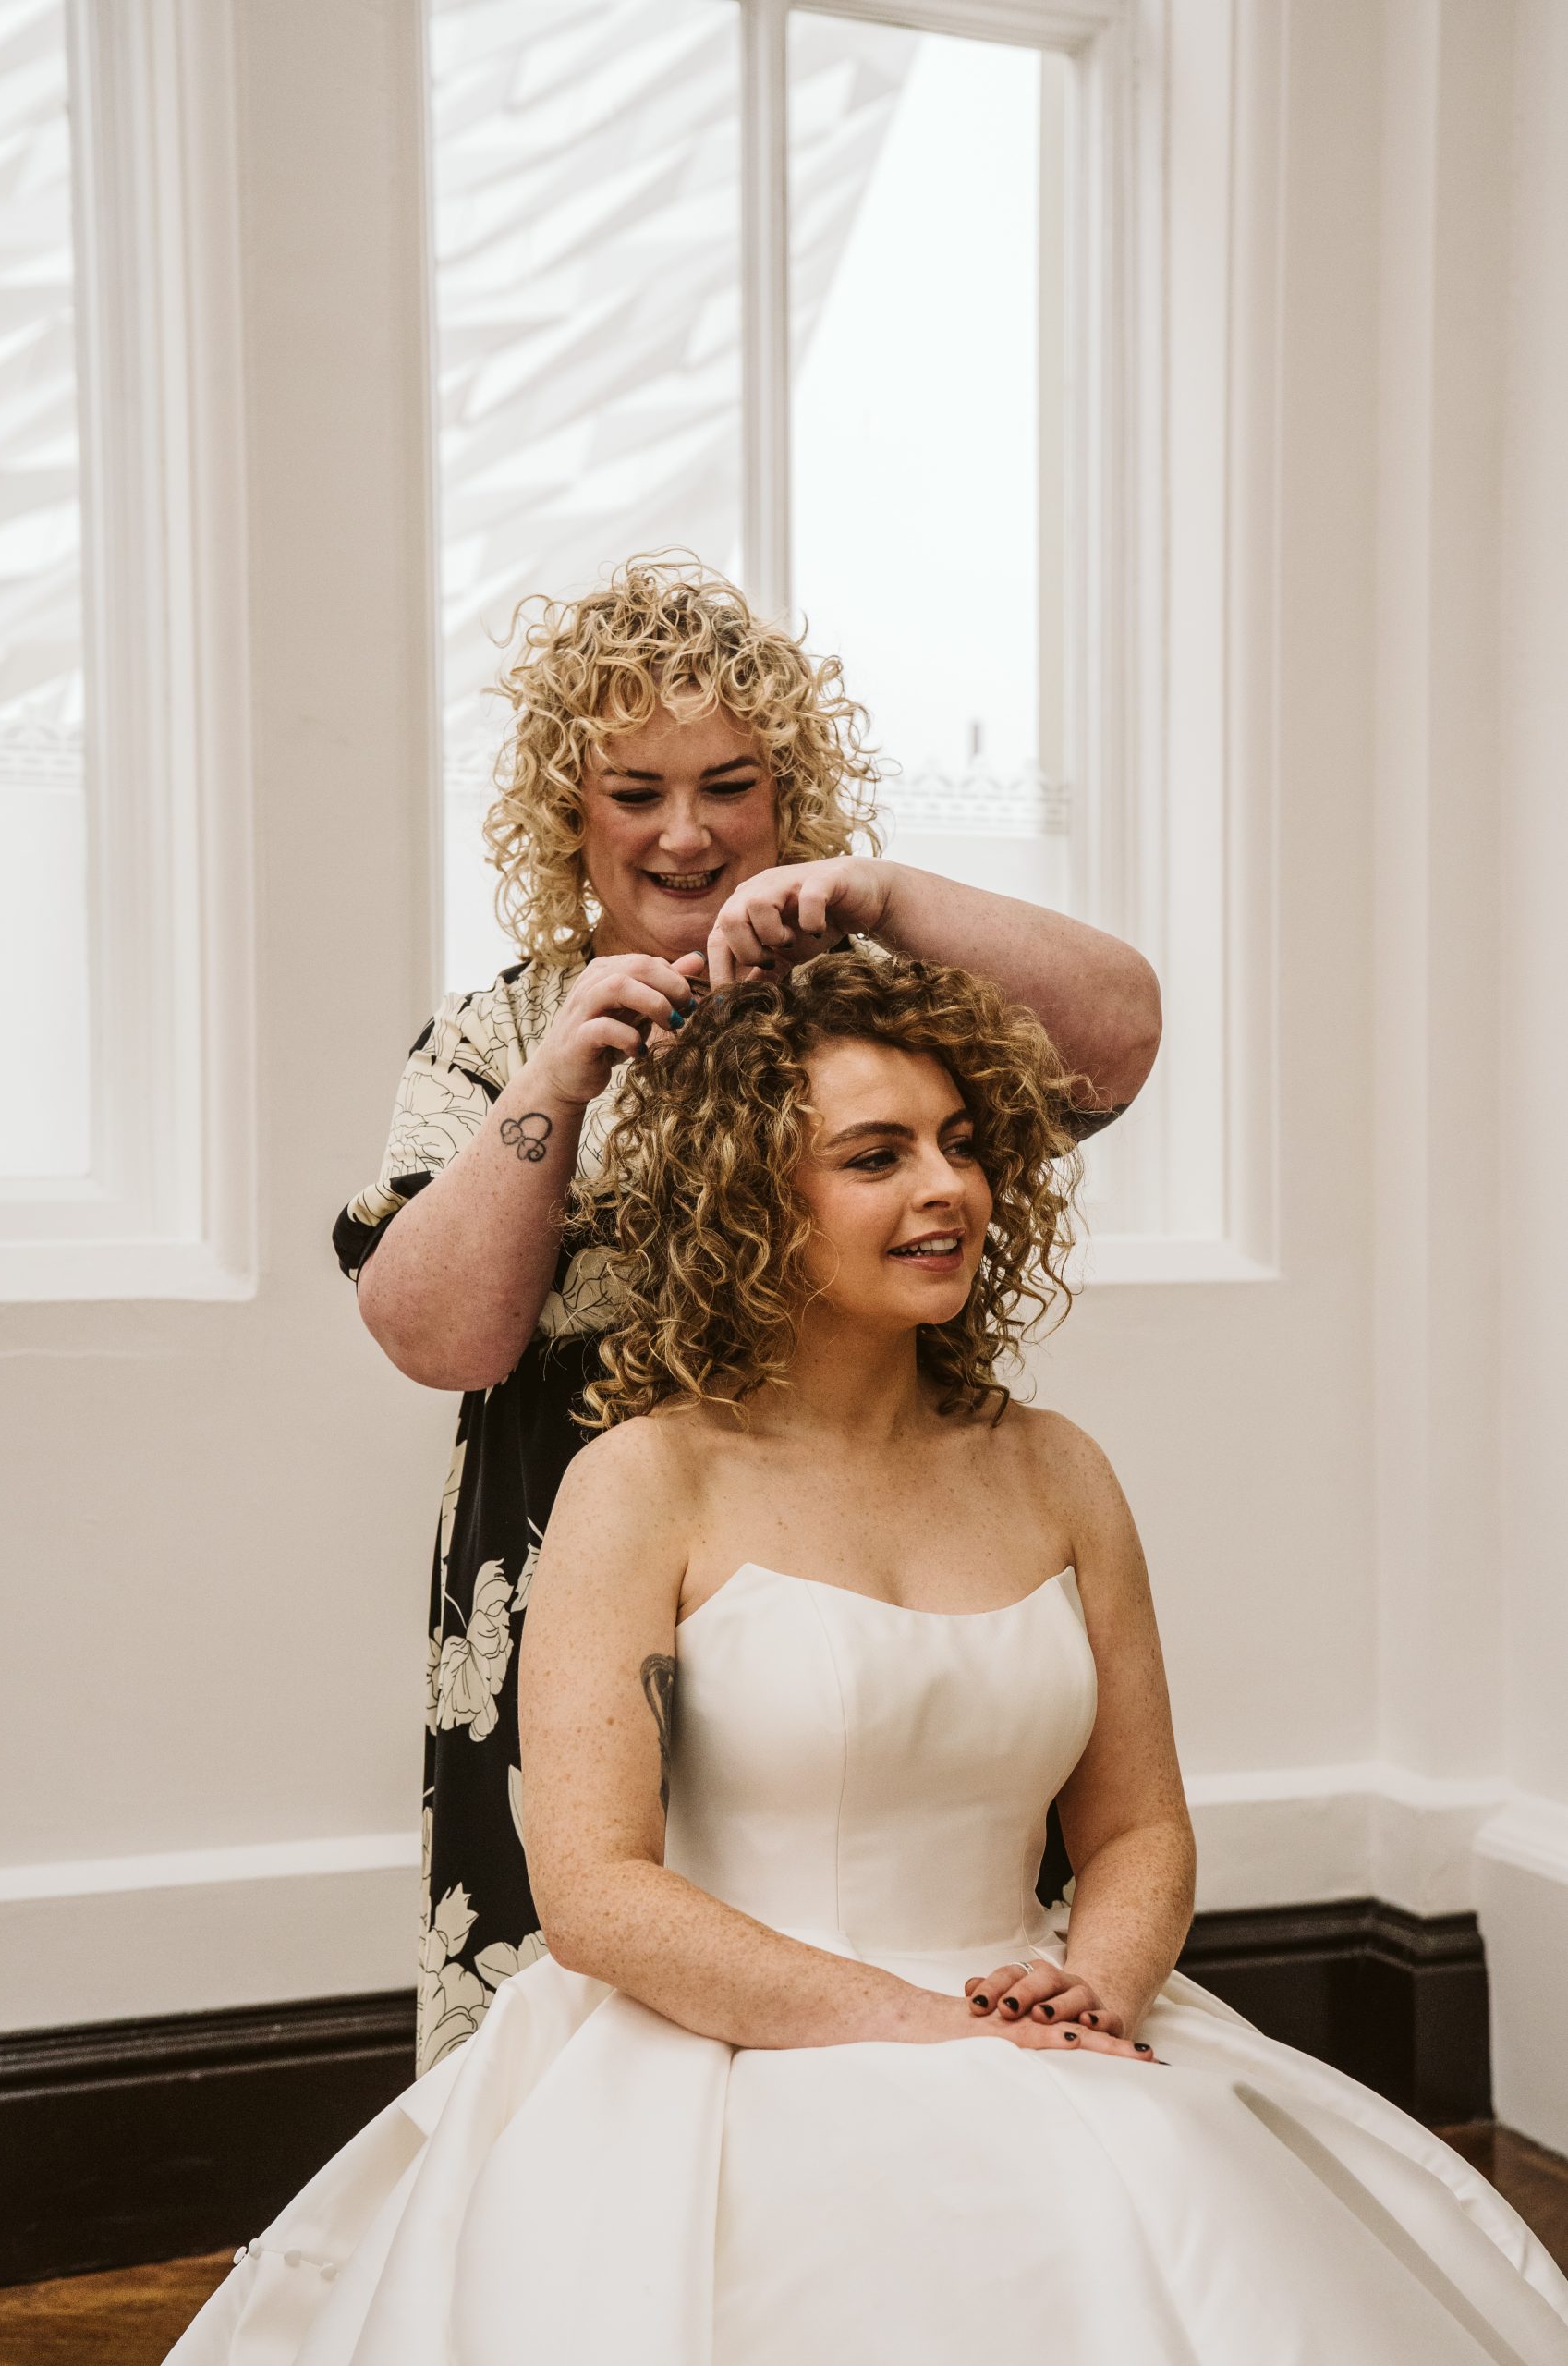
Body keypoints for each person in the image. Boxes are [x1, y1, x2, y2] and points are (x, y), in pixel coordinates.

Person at [179, 952, 1567, 2365]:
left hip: (1040, 2014)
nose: (948, 1188)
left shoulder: (1056, 1470)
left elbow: (1139, 1822)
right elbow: (594, 1895)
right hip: (731, 2052)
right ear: (752, 1204)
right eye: (876, 1156)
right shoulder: (641, 1482)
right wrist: (923, 2030)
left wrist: (1098, 1982)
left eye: (962, 1145)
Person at [335, 555, 1162, 2070]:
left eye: (731, 783)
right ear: (564, 812)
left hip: (857, 1543)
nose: (687, 830)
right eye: (634, 790)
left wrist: (890, 900)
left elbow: (1114, 1045)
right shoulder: (496, 1038)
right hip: (570, 1557)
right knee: (579, 2042)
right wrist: (557, 1086)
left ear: (792, 791)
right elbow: (438, 1336)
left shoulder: (877, 1008)